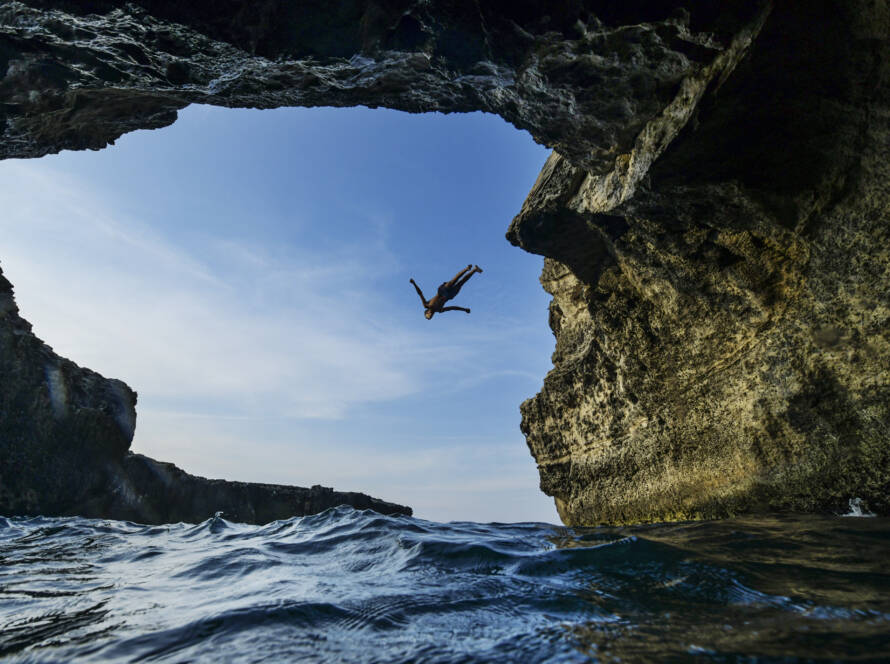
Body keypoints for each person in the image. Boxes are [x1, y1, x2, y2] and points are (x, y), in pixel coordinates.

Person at [410, 264, 483, 319]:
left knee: (453, 281)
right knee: (461, 283)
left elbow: (420, 293)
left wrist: (414, 283)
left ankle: (466, 269)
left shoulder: (426, 305)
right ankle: (474, 270)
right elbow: (453, 308)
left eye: (428, 315)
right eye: (431, 317)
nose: (431, 315)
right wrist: (464, 309)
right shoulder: (440, 310)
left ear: (427, 312)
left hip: (442, 291)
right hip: (450, 295)